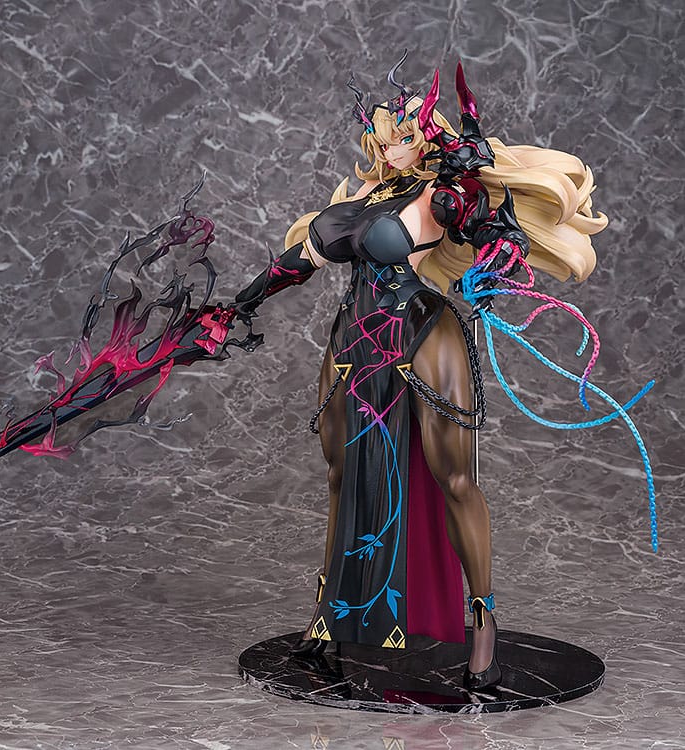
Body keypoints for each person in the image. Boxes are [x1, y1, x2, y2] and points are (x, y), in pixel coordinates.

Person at [234, 52, 607, 691]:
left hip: (420, 334)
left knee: (453, 477)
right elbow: (298, 262)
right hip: (354, 341)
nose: (389, 146)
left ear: (426, 137)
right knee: (342, 475)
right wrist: (235, 307)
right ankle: (330, 620)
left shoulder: (442, 196)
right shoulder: (362, 200)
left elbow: (498, 236)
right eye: (383, 136)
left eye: (403, 135)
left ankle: (482, 619)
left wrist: (493, 258)